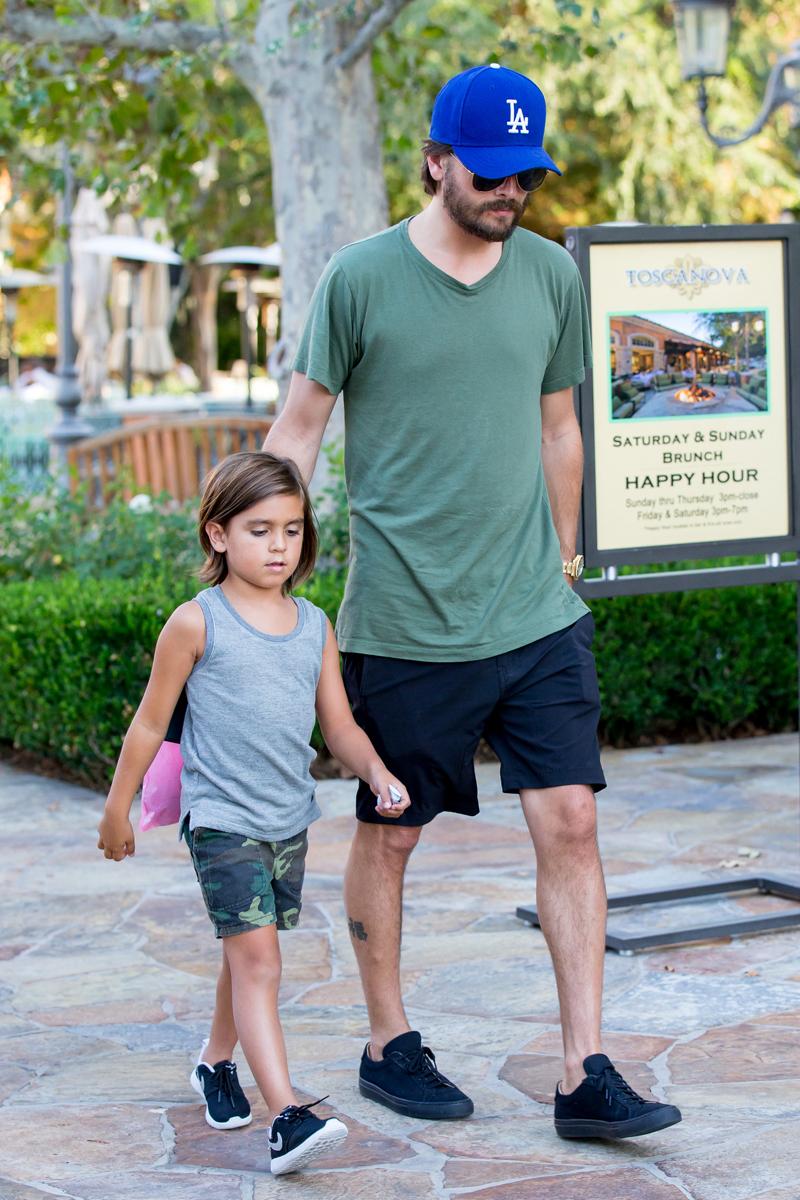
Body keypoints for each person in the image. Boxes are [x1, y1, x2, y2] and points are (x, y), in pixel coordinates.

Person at [264, 63, 682, 1140]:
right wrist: (253, 567)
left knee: (571, 819)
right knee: (391, 834)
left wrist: (567, 547)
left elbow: (555, 423)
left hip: (533, 616)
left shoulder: (549, 276)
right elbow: (300, 429)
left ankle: (582, 1068)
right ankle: (385, 1041)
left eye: (523, 175)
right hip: (404, 621)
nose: (508, 193)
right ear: (435, 160)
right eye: (488, 174)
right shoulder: (358, 280)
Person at [96, 451, 411, 1174]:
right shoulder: (195, 622)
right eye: (260, 529)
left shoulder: (312, 625)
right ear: (217, 535)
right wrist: (118, 808)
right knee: (260, 959)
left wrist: (375, 769)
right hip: (221, 816)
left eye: (293, 530)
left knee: (250, 951)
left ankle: (214, 1060)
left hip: (286, 819)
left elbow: (339, 727)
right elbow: (149, 724)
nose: (279, 546)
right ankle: (287, 1119)